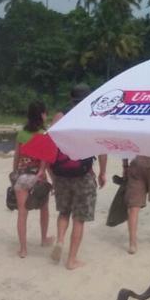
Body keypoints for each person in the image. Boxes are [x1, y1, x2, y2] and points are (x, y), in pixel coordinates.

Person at [49, 84, 107, 269]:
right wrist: (103, 172)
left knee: (64, 212)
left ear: (70, 97)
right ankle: (71, 260)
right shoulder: (93, 117)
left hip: (61, 173)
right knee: (79, 218)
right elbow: (101, 148)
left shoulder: (59, 116)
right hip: (83, 174)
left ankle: (59, 240)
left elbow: (50, 144)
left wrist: (51, 172)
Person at [11, 100, 53, 258]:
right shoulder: (43, 134)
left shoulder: (21, 133)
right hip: (37, 175)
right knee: (44, 208)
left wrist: (14, 172)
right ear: (42, 114)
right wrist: (42, 172)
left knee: (22, 213)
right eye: (45, 113)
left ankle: (23, 249)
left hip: (22, 176)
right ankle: (43, 239)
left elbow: (17, 155)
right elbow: (45, 158)